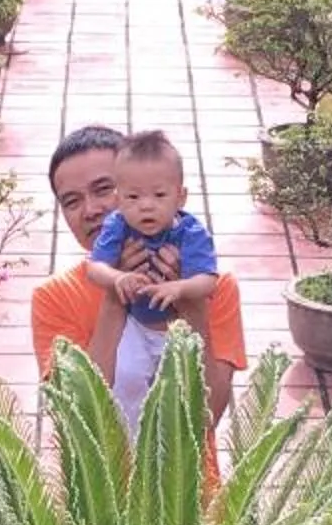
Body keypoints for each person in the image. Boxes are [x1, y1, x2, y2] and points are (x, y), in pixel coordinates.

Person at [30, 126, 244, 439]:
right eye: (72, 201)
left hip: (186, 484)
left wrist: (190, 304)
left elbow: (207, 417)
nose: (91, 210)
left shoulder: (214, 285)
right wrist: (116, 297)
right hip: (101, 487)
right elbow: (79, 421)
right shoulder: (54, 297)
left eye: (104, 189)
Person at [80, 130, 221, 406]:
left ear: (180, 197)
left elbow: (208, 280)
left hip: (175, 328)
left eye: (159, 195)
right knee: (127, 377)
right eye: (133, 197)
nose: (146, 206)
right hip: (136, 326)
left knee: (180, 387)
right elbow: (94, 268)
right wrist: (117, 278)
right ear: (119, 200)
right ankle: (131, 441)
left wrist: (179, 287)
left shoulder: (190, 232)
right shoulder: (117, 225)